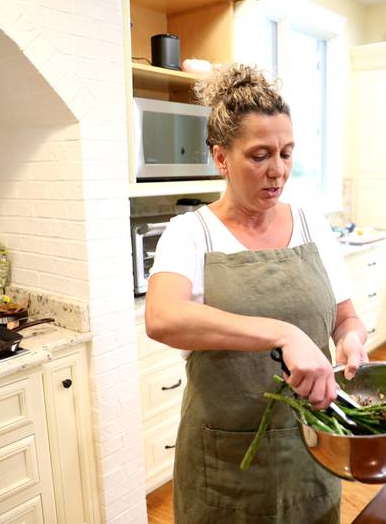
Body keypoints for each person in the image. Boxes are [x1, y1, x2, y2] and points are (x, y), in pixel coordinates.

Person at [145, 63, 368, 524]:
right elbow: (162, 317)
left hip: (312, 445)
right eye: (260, 154)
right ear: (221, 158)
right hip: (227, 460)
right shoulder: (191, 233)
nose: (278, 171)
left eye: (287, 153)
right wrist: (282, 332)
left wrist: (350, 339)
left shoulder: (310, 224)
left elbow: (346, 318)